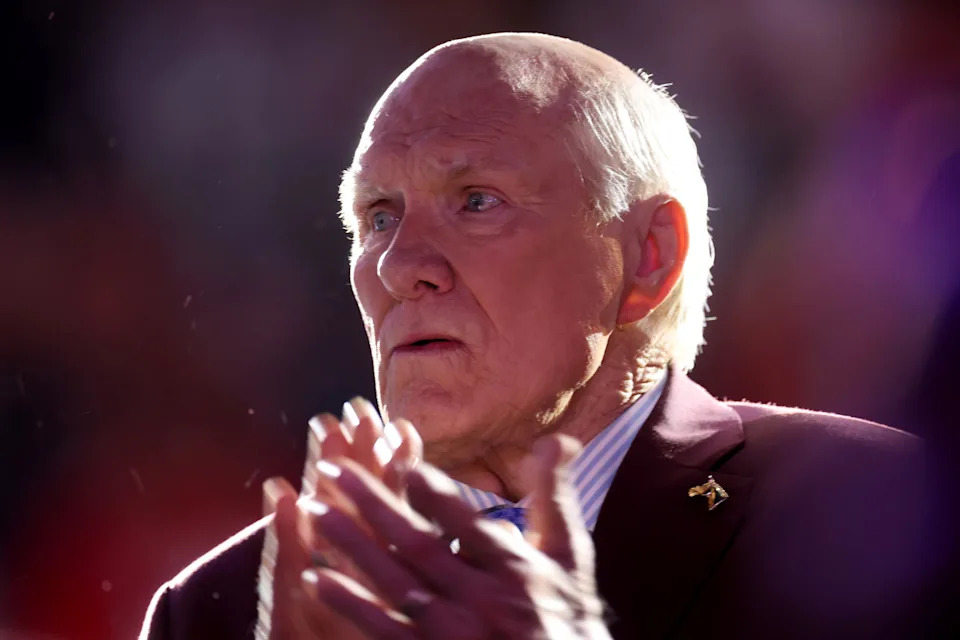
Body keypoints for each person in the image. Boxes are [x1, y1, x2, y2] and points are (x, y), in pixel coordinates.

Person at [140, 33, 938, 639]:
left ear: (648, 256)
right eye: (378, 217)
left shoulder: (868, 507)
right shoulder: (218, 609)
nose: (399, 266)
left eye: (476, 201)